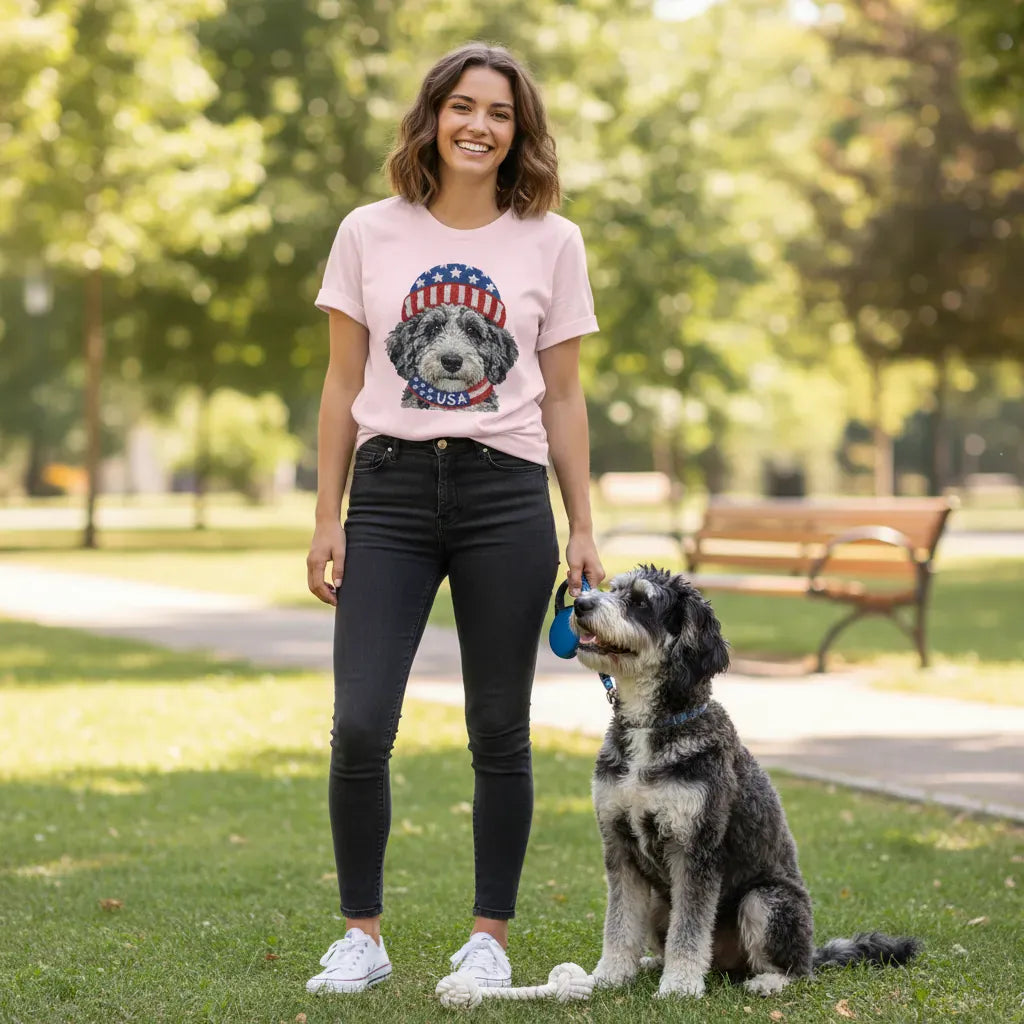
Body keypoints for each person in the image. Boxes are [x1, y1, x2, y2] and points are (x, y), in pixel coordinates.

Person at [304, 41, 604, 996]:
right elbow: (343, 383)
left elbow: (564, 396)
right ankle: (362, 935)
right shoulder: (367, 231)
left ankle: (489, 937)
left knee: (499, 727)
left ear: (520, 131)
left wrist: (582, 524)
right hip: (389, 491)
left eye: (500, 113)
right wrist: (328, 514)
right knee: (360, 723)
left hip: (505, 494)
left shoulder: (552, 241)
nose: (480, 126)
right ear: (433, 116)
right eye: (463, 106)